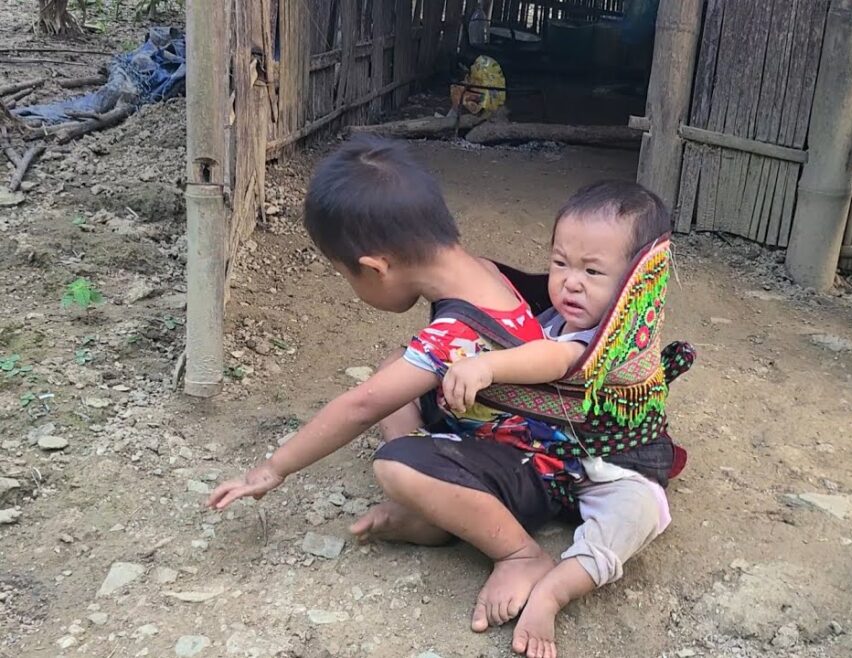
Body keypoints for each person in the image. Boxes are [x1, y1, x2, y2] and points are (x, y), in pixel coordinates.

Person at [207, 135, 563, 635]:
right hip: (515, 424)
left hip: (537, 467)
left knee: (396, 466)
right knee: (397, 365)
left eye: (347, 276)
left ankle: (519, 553)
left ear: (376, 266)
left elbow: (362, 406)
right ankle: (438, 505)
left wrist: (272, 469)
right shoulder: (478, 271)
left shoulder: (455, 336)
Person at [441, 180, 678, 658]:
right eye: (560, 263)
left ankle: (553, 591)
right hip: (545, 453)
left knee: (640, 512)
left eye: (593, 271)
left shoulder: (611, 343)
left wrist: (487, 366)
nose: (571, 281)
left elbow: (556, 360)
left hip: (615, 467)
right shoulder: (552, 317)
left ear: (636, 283)